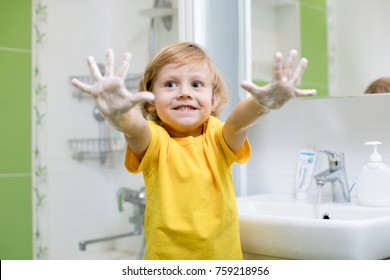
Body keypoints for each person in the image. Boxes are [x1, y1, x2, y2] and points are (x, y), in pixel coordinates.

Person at [72, 42, 316, 260]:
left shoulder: (218, 138)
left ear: (214, 97)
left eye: (196, 84)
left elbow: (238, 122)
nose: (184, 92)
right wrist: (119, 115)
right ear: (150, 101)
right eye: (170, 84)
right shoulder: (156, 141)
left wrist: (261, 105)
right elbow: (134, 129)